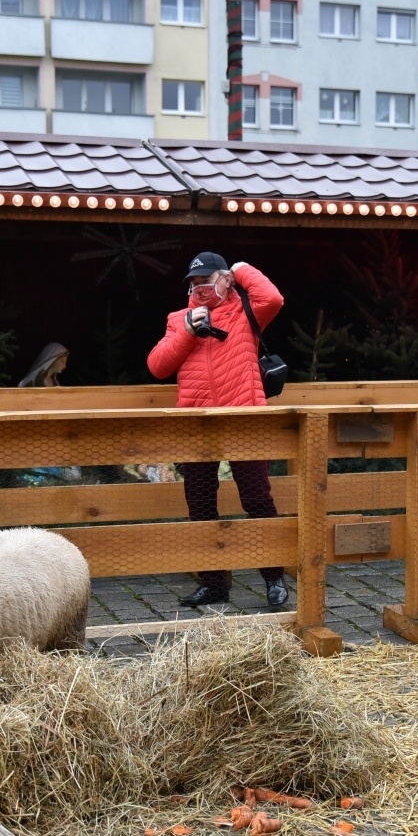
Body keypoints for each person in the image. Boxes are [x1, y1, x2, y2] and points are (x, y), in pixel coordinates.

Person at [147, 251, 288, 610]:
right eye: (193, 283)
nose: (199, 288)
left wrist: (240, 268)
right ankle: (213, 584)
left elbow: (273, 297)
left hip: (245, 420)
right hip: (195, 424)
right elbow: (158, 366)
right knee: (200, 504)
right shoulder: (179, 319)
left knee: (256, 499)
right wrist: (189, 332)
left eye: (206, 280)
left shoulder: (245, 311)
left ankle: (274, 579)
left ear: (224, 280)